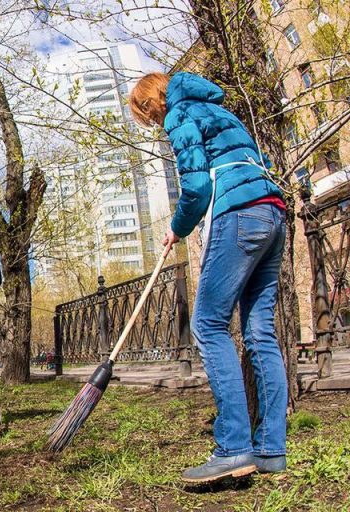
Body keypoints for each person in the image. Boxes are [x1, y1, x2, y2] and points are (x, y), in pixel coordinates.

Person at [129, 72, 288, 483]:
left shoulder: (179, 114)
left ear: (153, 103)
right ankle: (271, 449)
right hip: (272, 213)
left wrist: (178, 228)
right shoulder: (219, 110)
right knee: (259, 332)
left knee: (208, 324)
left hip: (237, 215)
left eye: (145, 114)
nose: (151, 123)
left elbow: (197, 187)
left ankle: (234, 448)